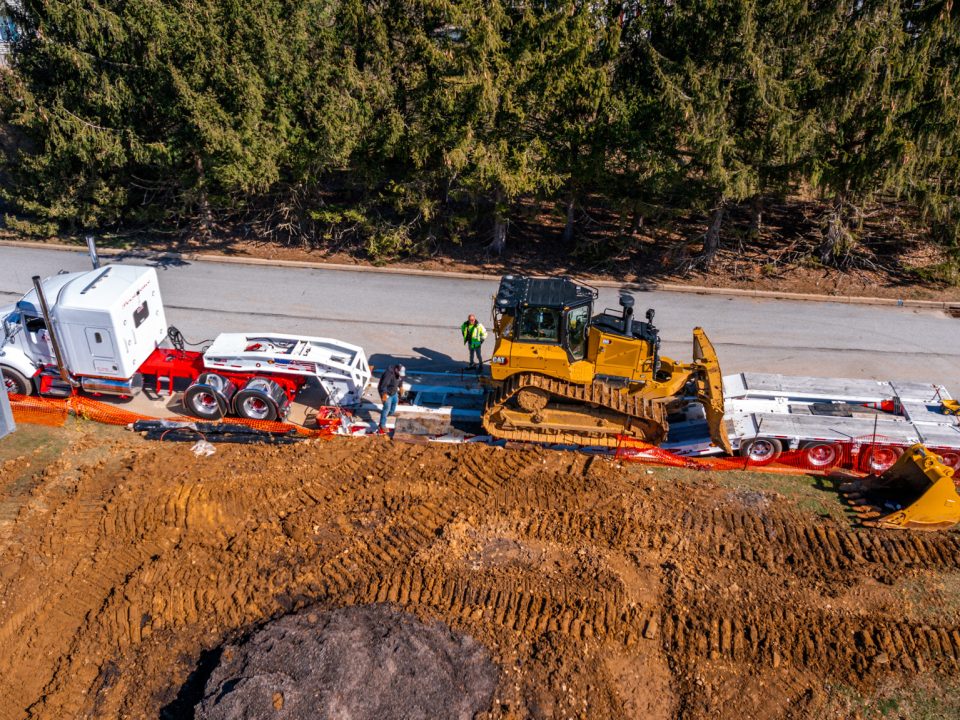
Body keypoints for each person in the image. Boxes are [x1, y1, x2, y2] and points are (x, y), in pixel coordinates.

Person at [375, 364, 405, 435]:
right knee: (386, 408)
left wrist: (401, 387)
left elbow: (400, 379)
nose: (401, 375)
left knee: (395, 402)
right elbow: (383, 386)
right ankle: (382, 425)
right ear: (396, 370)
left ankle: (391, 413)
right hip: (386, 393)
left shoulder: (398, 373)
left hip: (393, 391)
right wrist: (384, 394)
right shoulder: (388, 374)